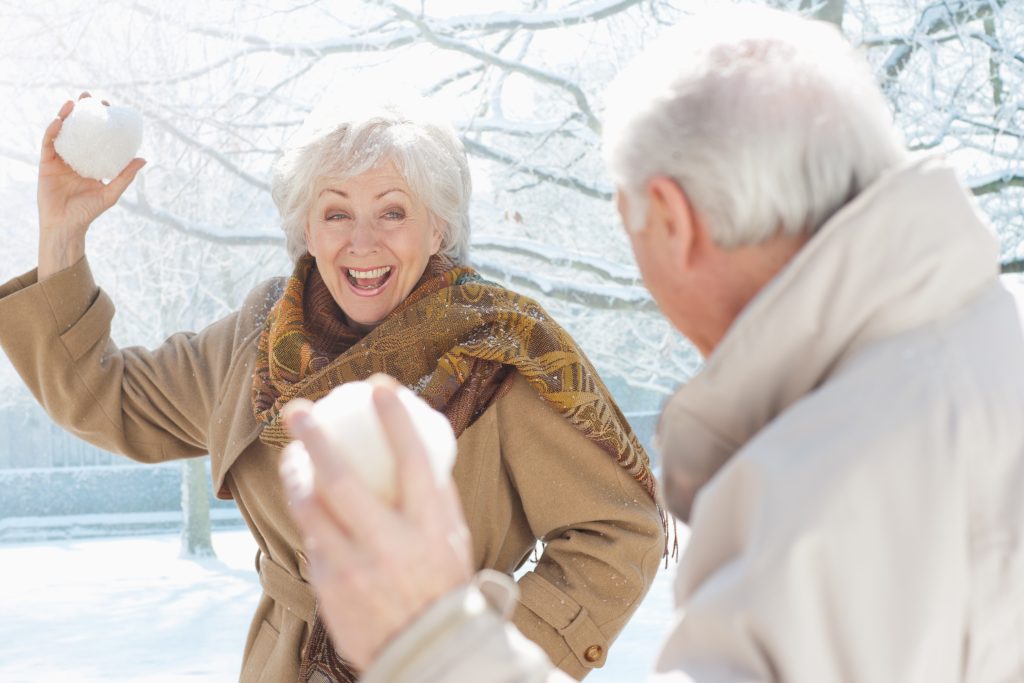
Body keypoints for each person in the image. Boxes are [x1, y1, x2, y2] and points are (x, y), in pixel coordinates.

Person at [280, 7, 1024, 683]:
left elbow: (615, 535)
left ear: (671, 219)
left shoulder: (819, 491)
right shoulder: (990, 346)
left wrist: (433, 642)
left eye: (628, 225)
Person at [0, 94, 665, 682]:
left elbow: (620, 530)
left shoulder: (505, 349)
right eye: (337, 212)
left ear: (438, 228)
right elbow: (102, 396)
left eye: (393, 211)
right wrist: (63, 232)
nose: (363, 241)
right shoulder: (256, 337)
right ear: (308, 230)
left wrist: (486, 660)